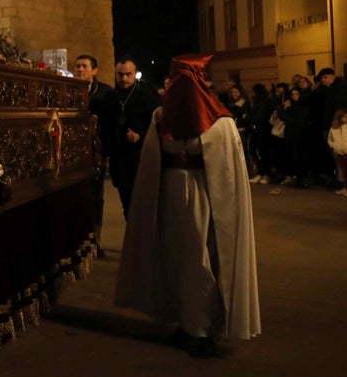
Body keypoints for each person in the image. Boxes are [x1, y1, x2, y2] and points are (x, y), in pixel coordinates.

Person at [115, 53, 261, 359]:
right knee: (175, 256)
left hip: (204, 198)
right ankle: (185, 320)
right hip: (169, 195)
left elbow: (228, 173)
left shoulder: (221, 123)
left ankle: (202, 327)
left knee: (200, 258)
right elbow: (151, 165)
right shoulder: (160, 117)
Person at [97, 56, 160, 219]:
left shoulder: (147, 94)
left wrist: (140, 135)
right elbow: (104, 127)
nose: (124, 78)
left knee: (144, 205)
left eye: (128, 74)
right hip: (120, 160)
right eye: (120, 75)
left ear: (135, 74)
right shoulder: (110, 98)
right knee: (127, 205)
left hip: (141, 158)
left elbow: (158, 123)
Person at [74, 54, 113, 255]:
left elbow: (112, 120)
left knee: (95, 196)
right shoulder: (69, 90)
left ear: (94, 71)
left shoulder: (105, 93)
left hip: (96, 153)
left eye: (84, 66)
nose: (80, 70)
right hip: (74, 153)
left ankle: (96, 240)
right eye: (78, 66)